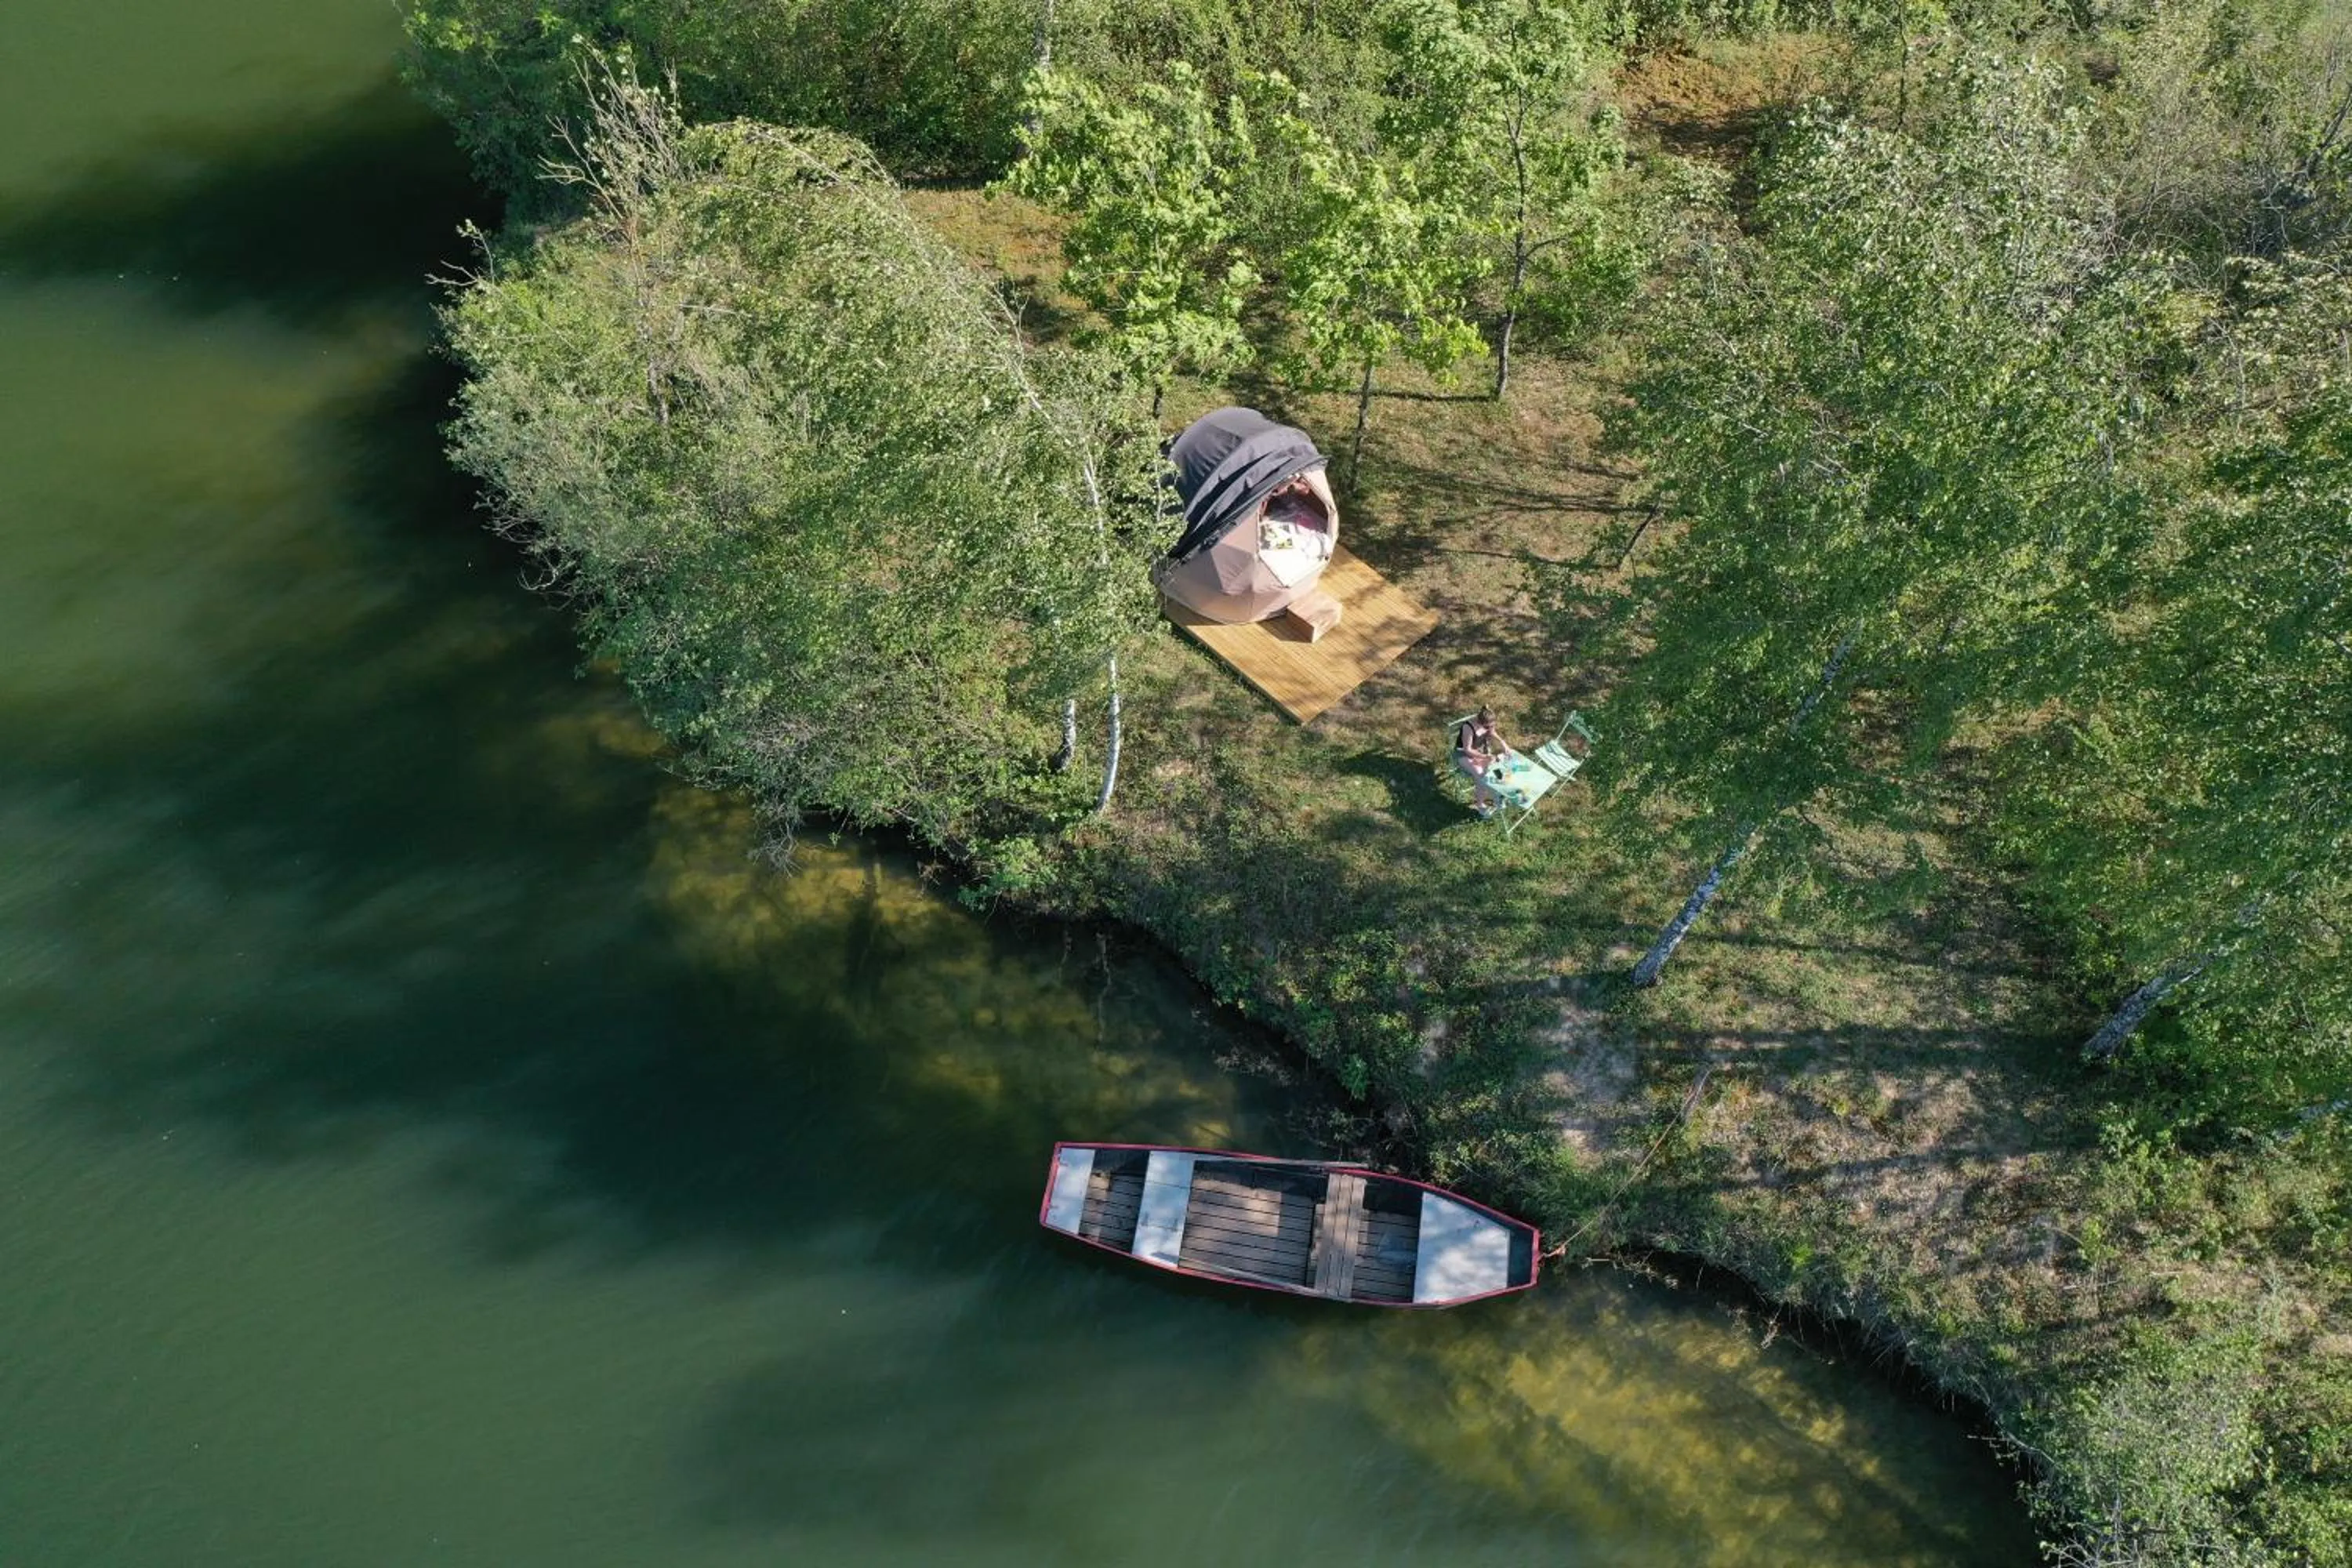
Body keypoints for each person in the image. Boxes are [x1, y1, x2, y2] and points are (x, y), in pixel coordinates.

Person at [1453, 706, 1515, 817]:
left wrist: (1503, 743)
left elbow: (1492, 733)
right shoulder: (1468, 727)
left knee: (1495, 769)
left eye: (1492, 725)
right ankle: (1482, 804)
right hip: (1463, 754)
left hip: (1480, 751)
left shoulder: (1488, 723)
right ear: (1480, 723)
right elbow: (1467, 750)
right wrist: (1485, 757)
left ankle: (1496, 796)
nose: (1490, 728)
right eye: (1488, 726)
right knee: (1480, 776)